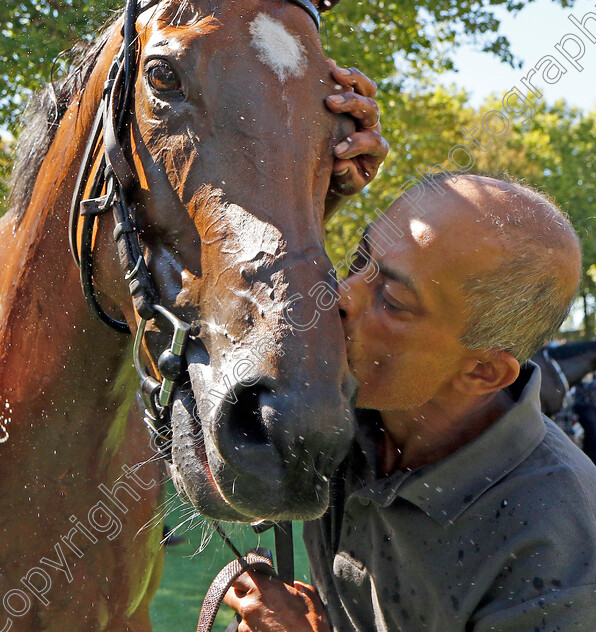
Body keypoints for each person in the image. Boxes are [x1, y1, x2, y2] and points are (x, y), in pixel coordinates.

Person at [223, 172, 596, 631]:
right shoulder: (346, 409)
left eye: (394, 299)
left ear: (483, 372)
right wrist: (326, 172)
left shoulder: (561, 548)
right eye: (360, 260)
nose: (342, 293)